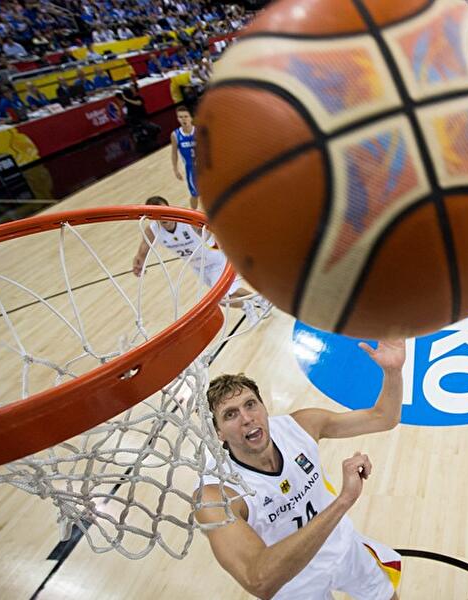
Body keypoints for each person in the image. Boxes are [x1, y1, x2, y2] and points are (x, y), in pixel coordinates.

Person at [195, 341, 405, 599]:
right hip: (292, 583)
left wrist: (393, 372)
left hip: (342, 547)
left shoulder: (301, 425)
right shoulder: (216, 497)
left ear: (264, 408)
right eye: (230, 414)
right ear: (218, 433)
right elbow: (259, 580)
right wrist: (343, 501)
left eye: (251, 405)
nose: (247, 418)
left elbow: (383, 418)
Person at [132, 196, 271, 324]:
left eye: (164, 211)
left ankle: (253, 303)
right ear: (151, 216)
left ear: (170, 208)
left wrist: (222, 241)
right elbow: (144, 248)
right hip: (198, 267)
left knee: (221, 297)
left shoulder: (186, 221)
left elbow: (211, 228)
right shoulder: (152, 231)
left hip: (215, 260)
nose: (162, 216)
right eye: (157, 213)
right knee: (227, 296)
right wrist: (139, 260)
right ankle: (253, 302)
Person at [171, 105, 199, 209]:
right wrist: (175, 169)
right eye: (180, 117)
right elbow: (174, 153)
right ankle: (193, 216)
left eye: (186, 116)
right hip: (191, 169)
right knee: (195, 194)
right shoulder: (175, 135)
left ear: (191, 118)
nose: (183, 119)